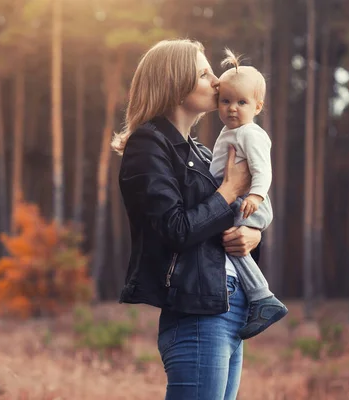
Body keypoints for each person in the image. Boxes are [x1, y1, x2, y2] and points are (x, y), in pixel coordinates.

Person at [113, 39, 261, 400]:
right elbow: (175, 229)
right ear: (176, 85)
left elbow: (223, 222)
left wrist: (252, 236)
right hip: (196, 311)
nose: (217, 81)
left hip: (229, 304)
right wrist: (227, 191)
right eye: (204, 73)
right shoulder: (148, 145)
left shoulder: (203, 151)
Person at [209, 48, 288, 340]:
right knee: (229, 240)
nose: (232, 108)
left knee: (227, 237)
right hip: (240, 200)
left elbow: (262, 169)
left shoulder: (250, 134)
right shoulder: (230, 132)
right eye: (225, 100)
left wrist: (255, 197)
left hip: (249, 202)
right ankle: (262, 297)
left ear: (258, 106)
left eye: (241, 102)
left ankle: (262, 297)